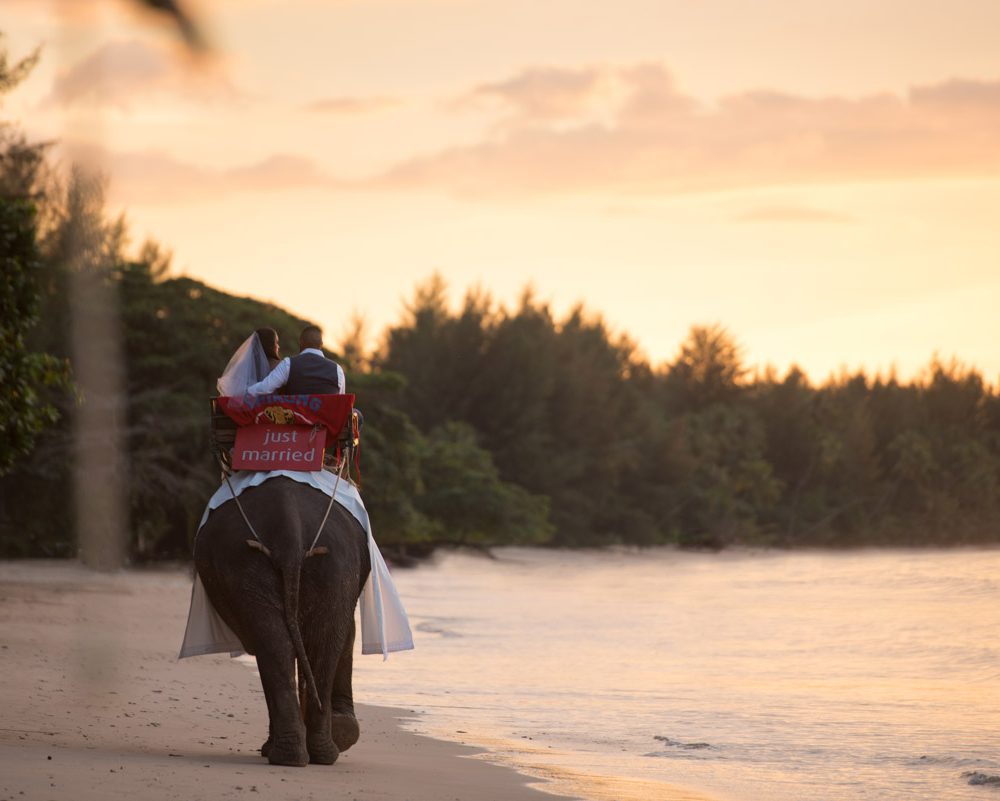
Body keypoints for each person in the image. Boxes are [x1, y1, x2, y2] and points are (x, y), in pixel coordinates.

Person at [247, 325, 345, 396]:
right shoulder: (337, 370)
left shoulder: (288, 364)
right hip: (326, 422)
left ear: (301, 342)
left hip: (297, 421)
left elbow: (265, 388)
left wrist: (244, 391)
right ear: (321, 344)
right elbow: (340, 403)